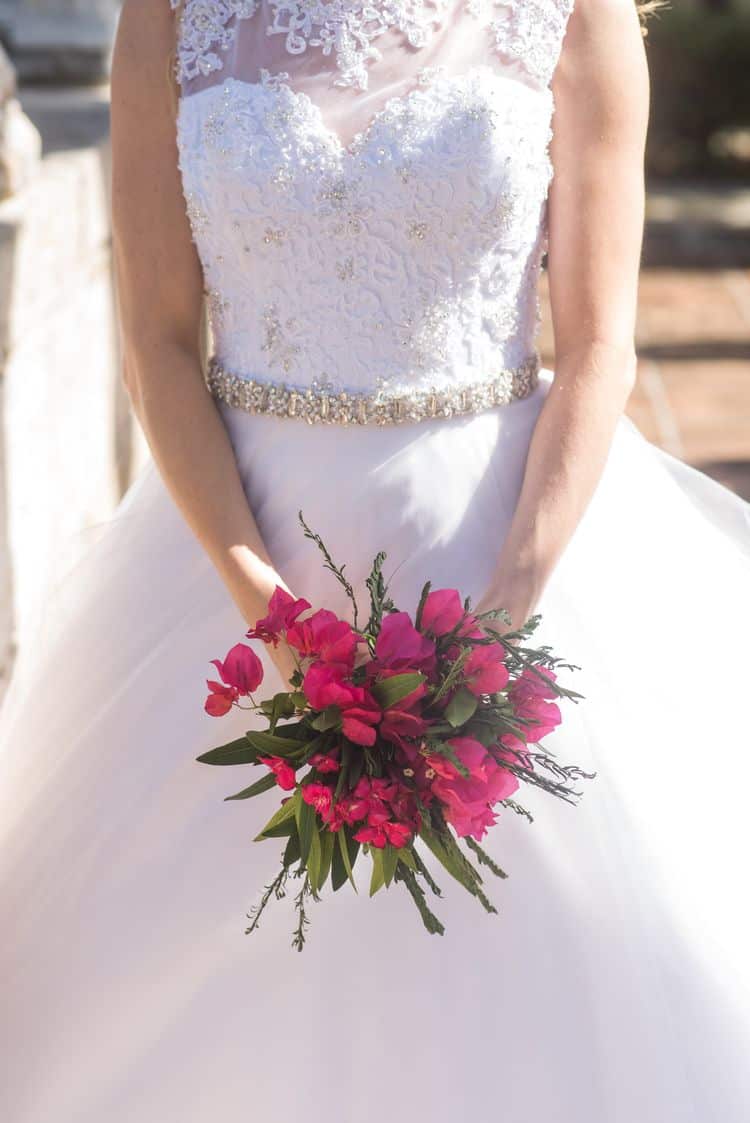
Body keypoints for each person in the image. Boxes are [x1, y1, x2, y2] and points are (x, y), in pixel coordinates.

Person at [1, 1, 749, 1119]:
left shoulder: (574, 11)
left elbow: (598, 344)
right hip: (223, 562)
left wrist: (509, 606)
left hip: (500, 555)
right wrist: (267, 607)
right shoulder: (171, 14)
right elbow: (157, 339)